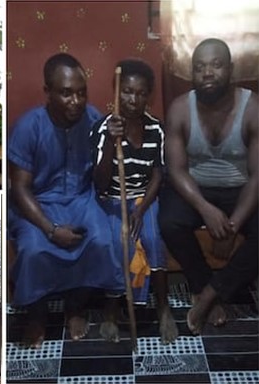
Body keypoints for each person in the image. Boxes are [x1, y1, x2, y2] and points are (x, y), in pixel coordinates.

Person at [8, 53, 123, 348]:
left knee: (100, 241)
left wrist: (109, 144)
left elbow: (101, 181)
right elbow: (20, 189)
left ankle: (76, 306)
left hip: (83, 198)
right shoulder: (28, 126)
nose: (76, 101)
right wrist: (49, 229)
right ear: (48, 93)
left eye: (81, 93)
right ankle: (36, 315)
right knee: (33, 250)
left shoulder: (96, 119)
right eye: (66, 93)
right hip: (38, 203)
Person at [159, 38, 257, 335]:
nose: (208, 73)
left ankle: (213, 292)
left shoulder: (252, 108)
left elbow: (257, 176)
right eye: (199, 67)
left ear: (231, 69)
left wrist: (232, 224)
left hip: (242, 189)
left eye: (216, 65)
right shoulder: (180, 108)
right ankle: (202, 283)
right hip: (195, 189)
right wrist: (206, 209)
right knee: (169, 221)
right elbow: (175, 170)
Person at [91, 59, 178, 344]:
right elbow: (100, 183)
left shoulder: (156, 130)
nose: (133, 99)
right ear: (117, 91)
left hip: (144, 198)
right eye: (127, 91)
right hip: (112, 199)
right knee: (117, 242)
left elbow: (158, 175)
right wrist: (109, 150)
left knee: (152, 238)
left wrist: (141, 208)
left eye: (141, 93)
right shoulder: (104, 129)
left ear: (149, 95)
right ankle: (111, 312)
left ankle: (163, 309)